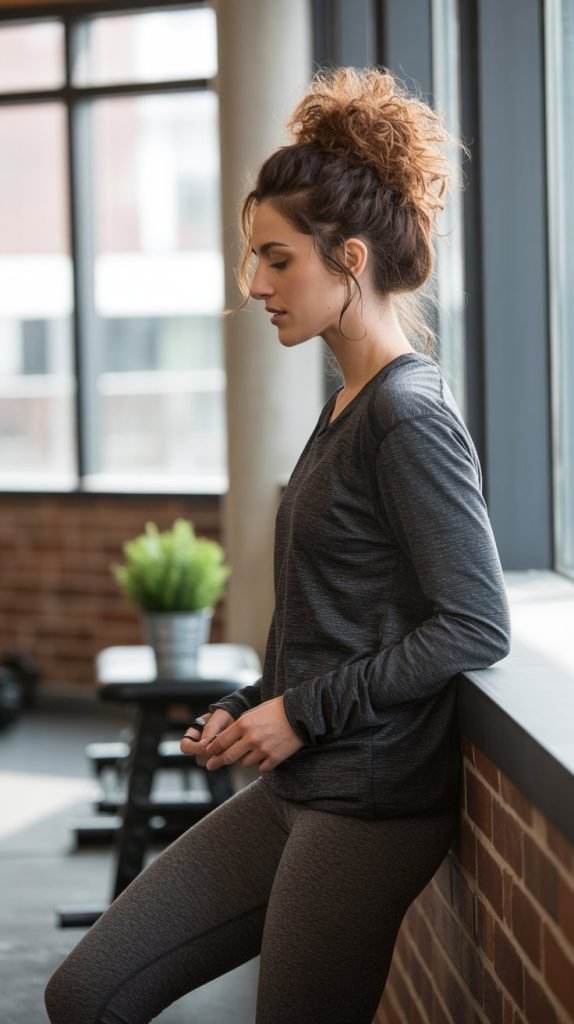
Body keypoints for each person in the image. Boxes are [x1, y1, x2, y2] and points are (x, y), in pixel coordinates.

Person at [45, 67, 510, 1024]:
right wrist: (250, 703)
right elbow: (341, 612)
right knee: (84, 992)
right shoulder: (345, 402)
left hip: (368, 804)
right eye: (250, 260)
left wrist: (301, 710)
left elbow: (475, 623)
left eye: (276, 259)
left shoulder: (409, 413)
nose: (254, 285)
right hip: (302, 781)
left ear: (348, 258)